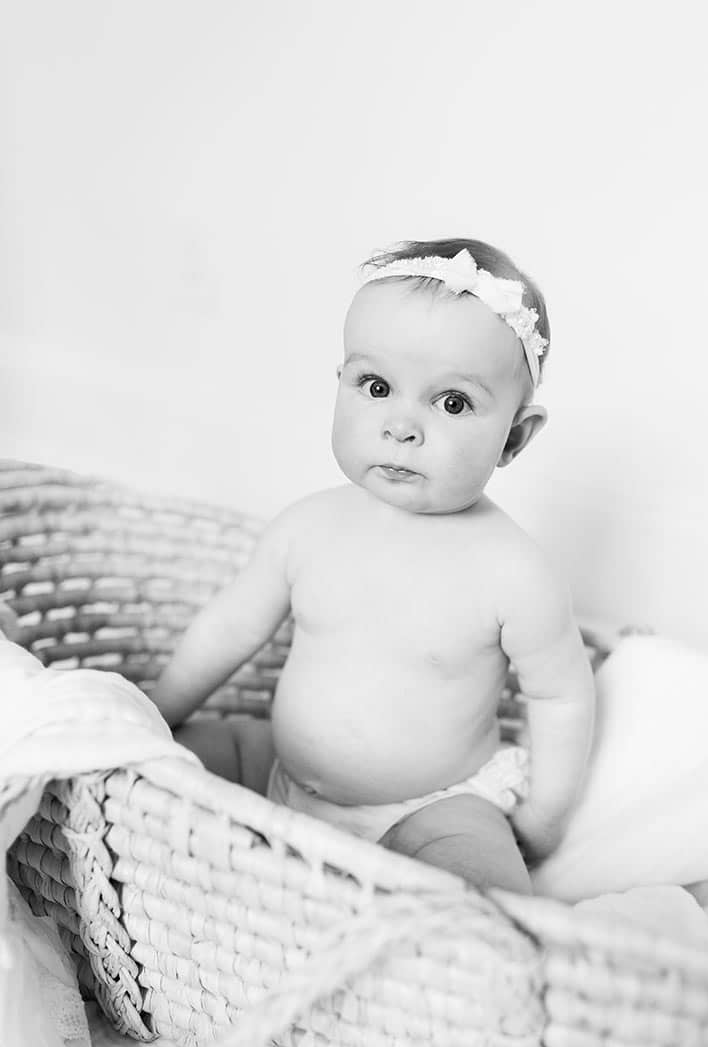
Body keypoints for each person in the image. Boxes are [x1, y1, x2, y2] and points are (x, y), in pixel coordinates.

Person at [151, 238, 595, 895]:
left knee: (478, 893)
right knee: (153, 765)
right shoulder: (308, 527)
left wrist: (544, 820)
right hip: (280, 771)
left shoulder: (513, 573)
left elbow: (561, 698)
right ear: (342, 385)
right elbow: (226, 631)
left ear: (514, 437)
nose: (401, 426)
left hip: (429, 808)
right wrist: (155, 715)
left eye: (451, 403)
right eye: (378, 387)